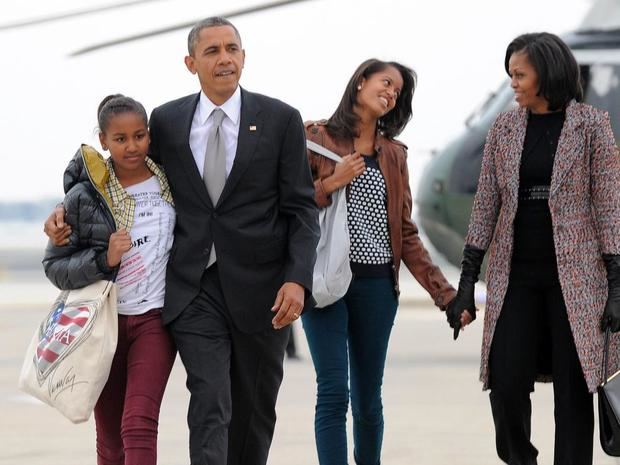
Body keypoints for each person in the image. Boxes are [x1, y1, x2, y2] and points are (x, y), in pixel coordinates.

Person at [45, 16, 318, 465]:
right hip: (193, 289)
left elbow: (302, 210)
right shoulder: (167, 121)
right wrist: (64, 210)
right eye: (212, 51)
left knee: (253, 407)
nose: (224, 58)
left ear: (244, 58)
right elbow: (118, 171)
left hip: (263, 290)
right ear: (191, 63)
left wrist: (297, 280)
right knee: (210, 397)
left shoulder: (280, 120)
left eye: (232, 48)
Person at [446, 32, 620, 465]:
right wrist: (467, 283)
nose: (513, 84)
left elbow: (610, 205)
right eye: (510, 75)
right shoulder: (503, 128)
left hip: (577, 281)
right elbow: (486, 204)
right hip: (516, 276)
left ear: (546, 73)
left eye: (519, 75)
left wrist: (617, 285)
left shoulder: (592, 125)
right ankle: (521, 459)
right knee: (504, 384)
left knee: (574, 391)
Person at [303, 58, 456, 465]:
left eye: (397, 92)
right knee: (333, 391)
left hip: (375, 288)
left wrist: (444, 294)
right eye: (385, 83)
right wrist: (332, 182)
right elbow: (290, 207)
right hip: (324, 283)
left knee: (368, 401)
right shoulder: (313, 138)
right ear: (359, 83)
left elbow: (405, 233)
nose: (390, 94)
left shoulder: (393, 155)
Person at [43, 94, 177, 465]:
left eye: (139, 136)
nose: (132, 146)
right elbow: (55, 266)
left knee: (138, 423)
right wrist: (105, 259)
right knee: (111, 440)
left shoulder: (170, 178)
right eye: (120, 139)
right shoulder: (85, 197)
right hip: (104, 325)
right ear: (103, 140)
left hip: (155, 320)